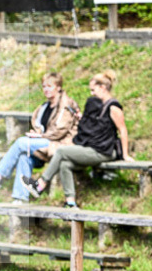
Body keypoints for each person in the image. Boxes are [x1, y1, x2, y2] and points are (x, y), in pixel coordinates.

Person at [23, 70, 132, 208]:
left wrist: (126, 155)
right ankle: (71, 202)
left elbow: (123, 130)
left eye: (93, 90)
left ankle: (40, 185)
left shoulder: (113, 107)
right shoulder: (98, 105)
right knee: (65, 164)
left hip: (104, 151)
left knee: (62, 151)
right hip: (94, 147)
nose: (92, 93)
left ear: (102, 88)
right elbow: (96, 128)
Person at [0, 72, 79, 203]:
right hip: (46, 143)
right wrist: (37, 134)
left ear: (59, 87)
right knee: (24, 157)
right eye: (44, 86)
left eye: (50, 86)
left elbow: (60, 131)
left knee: (21, 143)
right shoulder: (44, 107)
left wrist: (39, 136)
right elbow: (41, 127)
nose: (46, 89)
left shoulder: (66, 105)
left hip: (60, 145)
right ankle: (20, 199)